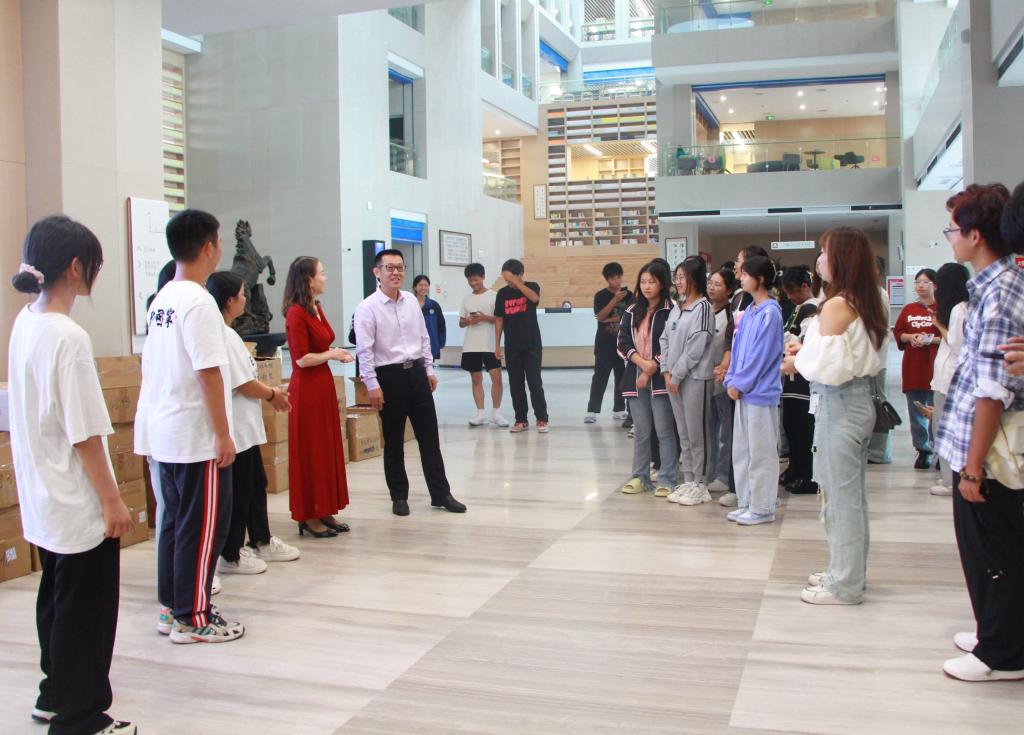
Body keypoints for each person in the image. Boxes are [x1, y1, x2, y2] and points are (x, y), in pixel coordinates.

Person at [9, 216, 137, 734]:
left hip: (43, 494)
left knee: (57, 601)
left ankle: (55, 695)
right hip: (76, 498)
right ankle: (81, 718)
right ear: (77, 267)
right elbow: (85, 433)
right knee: (86, 612)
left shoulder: (25, 321)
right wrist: (112, 500)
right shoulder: (68, 336)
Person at [134, 208, 244, 644]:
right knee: (202, 529)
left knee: (175, 525)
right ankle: (193, 617)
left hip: (166, 432)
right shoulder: (198, 302)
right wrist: (222, 433)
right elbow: (208, 372)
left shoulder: (163, 297)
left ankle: (171, 607)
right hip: (195, 436)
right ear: (208, 247)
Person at [936, 182, 1024, 682]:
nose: (950, 238)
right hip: (974, 443)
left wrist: (972, 467)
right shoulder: (990, 286)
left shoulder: (1002, 289)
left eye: (953, 229)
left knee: (994, 548)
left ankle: (1003, 652)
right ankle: (995, 630)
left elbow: (992, 389)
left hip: (987, 450)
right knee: (982, 547)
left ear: (974, 235)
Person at [785, 227, 886, 605]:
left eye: (825, 253)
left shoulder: (838, 303)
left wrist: (796, 360)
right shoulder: (870, 296)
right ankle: (848, 572)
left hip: (840, 402)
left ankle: (845, 584)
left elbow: (824, 365)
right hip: (857, 400)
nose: (819, 261)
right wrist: (806, 353)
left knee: (839, 500)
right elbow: (835, 353)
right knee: (850, 498)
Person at [355, 249, 467, 516]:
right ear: (377, 272)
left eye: (400, 267)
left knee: (430, 437)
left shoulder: (411, 302)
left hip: (417, 374)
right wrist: (372, 384)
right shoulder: (367, 308)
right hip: (389, 377)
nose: (396, 273)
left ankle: (441, 493)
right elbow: (364, 350)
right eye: (389, 268)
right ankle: (399, 496)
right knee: (394, 440)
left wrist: (428, 368)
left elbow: (424, 338)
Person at [206, 271, 299, 572]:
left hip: (246, 427)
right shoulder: (223, 335)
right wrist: (273, 394)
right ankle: (231, 554)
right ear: (229, 300)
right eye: (243, 294)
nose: (246, 299)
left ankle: (261, 539)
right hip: (236, 429)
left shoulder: (230, 334)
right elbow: (243, 382)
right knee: (239, 491)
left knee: (256, 484)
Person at [283, 257, 353, 537]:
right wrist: (333, 354)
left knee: (325, 448)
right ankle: (308, 514)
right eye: (321, 273)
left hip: (322, 384)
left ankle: (324, 508)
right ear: (308, 279)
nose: (325, 277)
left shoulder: (316, 307)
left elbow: (321, 347)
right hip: (307, 389)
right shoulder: (296, 313)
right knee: (311, 450)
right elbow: (301, 359)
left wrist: (333, 353)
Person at [724, 255, 784, 525]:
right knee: (742, 450)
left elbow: (761, 355)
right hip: (743, 391)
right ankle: (746, 501)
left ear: (759, 279)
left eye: (745, 274)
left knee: (761, 452)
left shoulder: (771, 312)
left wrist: (740, 382)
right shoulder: (749, 310)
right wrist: (731, 379)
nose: (740, 277)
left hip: (760, 393)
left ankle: (762, 507)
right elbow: (737, 350)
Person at [617, 260, 678, 495]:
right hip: (635, 377)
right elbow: (622, 342)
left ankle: (667, 479)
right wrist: (642, 365)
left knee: (664, 432)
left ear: (662, 283)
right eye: (643, 281)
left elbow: (673, 343)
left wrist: (652, 366)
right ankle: (640, 477)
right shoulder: (632, 310)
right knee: (641, 432)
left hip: (661, 378)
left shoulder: (671, 309)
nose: (646, 286)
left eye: (652, 281)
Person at [661, 256, 715, 505]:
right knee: (683, 434)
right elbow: (664, 338)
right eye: (677, 277)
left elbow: (696, 347)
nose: (678, 282)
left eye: (682, 277)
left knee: (696, 434)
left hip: (694, 379)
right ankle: (690, 479)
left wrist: (677, 374)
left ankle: (700, 484)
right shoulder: (679, 306)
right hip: (673, 379)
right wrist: (666, 371)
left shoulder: (703, 308)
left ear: (694, 279)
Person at [927, 263, 969, 497]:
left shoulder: (959, 310)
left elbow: (956, 343)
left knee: (943, 429)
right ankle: (949, 477)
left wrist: (938, 325)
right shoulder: (961, 307)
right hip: (946, 377)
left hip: (950, 378)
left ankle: (950, 481)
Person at [494, 258, 549, 433]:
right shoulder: (502, 293)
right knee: (515, 383)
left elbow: (535, 299)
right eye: (506, 279)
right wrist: (497, 344)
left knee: (534, 382)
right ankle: (521, 420)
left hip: (532, 344)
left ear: (520, 274)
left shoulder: (532, 286)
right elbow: (499, 319)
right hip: (512, 345)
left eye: (510, 278)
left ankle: (542, 418)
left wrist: (518, 284)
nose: (508, 282)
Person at [893, 268, 940, 469]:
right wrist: (910, 337)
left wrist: (930, 339)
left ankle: (938, 451)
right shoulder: (909, 309)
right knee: (916, 410)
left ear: (935, 285)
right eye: (917, 282)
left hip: (936, 367)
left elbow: (951, 336)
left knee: (936, 410)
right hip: (913, 366)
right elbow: (899, 332)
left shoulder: (942, 309)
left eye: (925, 282)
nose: (920, 286)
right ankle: (922, 450)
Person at [779, 266, 820, 495]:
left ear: (805, 287)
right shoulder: (798, 309)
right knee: (791, 428)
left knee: (804, 431)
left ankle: (808, 475)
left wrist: (788, 341)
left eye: (793, 291)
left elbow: (803, 341)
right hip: (790, 381)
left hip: (803, 382)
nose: (791, 297)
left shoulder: (812, 309)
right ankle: (795, 469)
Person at [458, 262, 508, 427]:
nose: (473, 283)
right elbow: (461, 323)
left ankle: (496, 413)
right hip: (471, 345)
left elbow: (501, 319)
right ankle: (480, 413)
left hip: (490, 343)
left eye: (476, 279)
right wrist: (469, 320)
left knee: (497, 378)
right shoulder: (466, 299)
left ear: (483, 277)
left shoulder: (494, 296)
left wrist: (484, 318)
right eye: (470, 280)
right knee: (476, 378)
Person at [706, 267, 737, 505]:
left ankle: (724, 475)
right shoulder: (704, 310)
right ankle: (709, 472)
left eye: (717, 284)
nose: (711, 287)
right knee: (708, 429)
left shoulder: (731, 315)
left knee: (726, 432)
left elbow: (729, 347)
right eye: (710, 283)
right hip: (703, 380)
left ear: (729, 289)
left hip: (723, 379)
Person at [586, 261, 632, 424]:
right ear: (607, 279)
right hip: (604, 343)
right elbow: (600, 316)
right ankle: (592, 410)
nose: (617, 281)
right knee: (600, 376)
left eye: (619, 277)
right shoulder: (601, 295)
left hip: (623, 343)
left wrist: (610, 319)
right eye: (613, 278)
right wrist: (615, 300)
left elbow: (629, 317)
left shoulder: (629, 295)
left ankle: (619, 409)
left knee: (621, 377)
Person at [867, 256, 894, 465]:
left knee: (878, 403)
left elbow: (877, 329)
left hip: (876, 361)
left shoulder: (878, 294)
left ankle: (879, 451)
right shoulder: (870, 293)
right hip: (870, 360)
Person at [413, 274, 446, 361]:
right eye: (420, 285)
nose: (423, 288)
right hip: (413, 346)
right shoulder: (409, 304)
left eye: (426, 285)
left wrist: (441, 343)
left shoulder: (434, 305)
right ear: (415, 287)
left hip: (431, 346)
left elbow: (441, 325)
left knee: (429, 368)